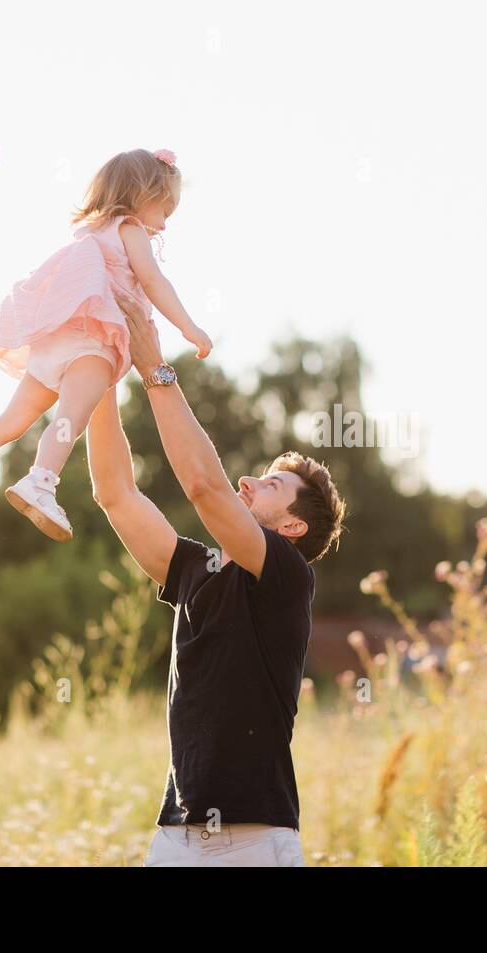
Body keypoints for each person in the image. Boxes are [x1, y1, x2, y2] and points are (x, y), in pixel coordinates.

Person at [87, 288, 345, 866]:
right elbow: (115, 493)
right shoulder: (194, 572)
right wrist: (101, 375)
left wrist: (153, 364)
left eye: (273, 486)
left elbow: (204, 486)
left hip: (254, 838)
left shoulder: (286, 575)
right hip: (176, 833)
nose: (253, 482)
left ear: (294, 527)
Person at [0, 148, 213, 543]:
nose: (163, 224)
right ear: (143, 197)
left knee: (11, 419)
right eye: (164, 211)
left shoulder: (91, 233)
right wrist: (190, 327)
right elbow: (155, 282)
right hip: (92, 343)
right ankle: (40, 483)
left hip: (54, 341)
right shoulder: (130, 230)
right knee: (71, 416)